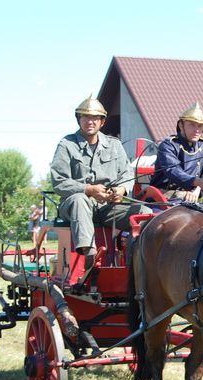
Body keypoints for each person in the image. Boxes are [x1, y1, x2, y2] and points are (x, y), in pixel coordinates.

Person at [50, 95, 149, 269]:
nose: (90, 121)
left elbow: (126, 173)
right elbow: (59, 181)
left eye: (95, 118)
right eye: (86, 117)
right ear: (79, 119)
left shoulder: (114, 145)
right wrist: (88, 189)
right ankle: (89, 255)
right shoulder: (66, 145)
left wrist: (121, 190)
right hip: (74, 205)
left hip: (108, 207)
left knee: (144, 211)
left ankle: (138, 258)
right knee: (80, 200)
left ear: (102, 122)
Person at [152, 102, 203, 202]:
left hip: (194, 197)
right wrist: (196, 182)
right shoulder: (168, 145)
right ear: (181, 125)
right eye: (192, 125)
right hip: (164, 197)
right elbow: (173, 171)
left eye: (200, 126)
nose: (196, 130)